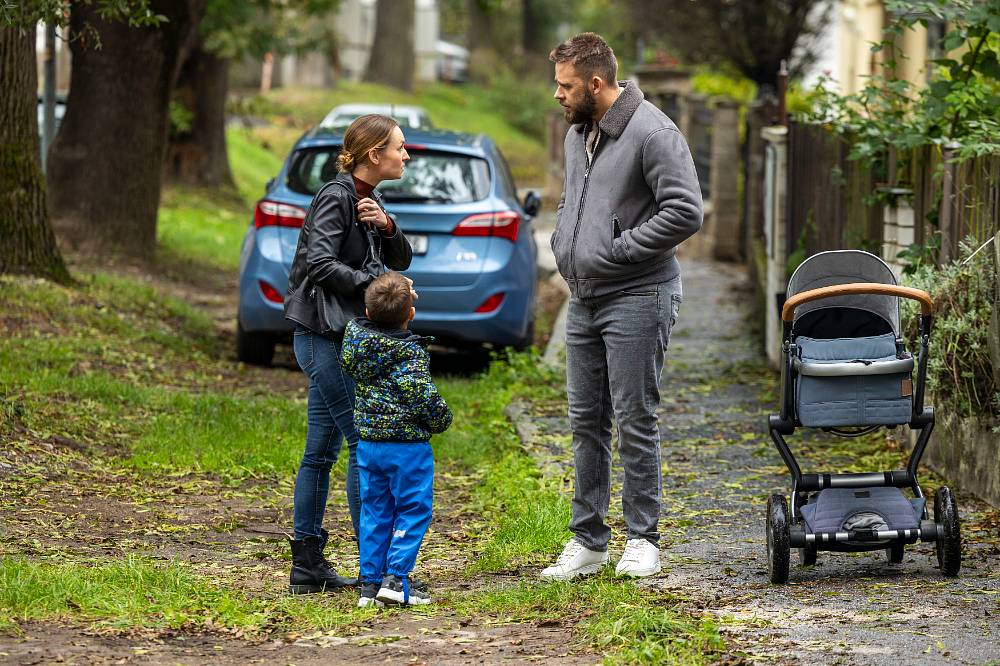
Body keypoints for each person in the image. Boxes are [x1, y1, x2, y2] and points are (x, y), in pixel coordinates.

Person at [540, 33, 703, 581]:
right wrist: (569, 242)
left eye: (565, 85)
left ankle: (643, 539)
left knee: (635, 418)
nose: (556, 95)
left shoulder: (653, 132)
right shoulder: (577, 133)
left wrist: (621, 249)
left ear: (594, 82)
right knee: (586, 421)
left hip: (638, 293)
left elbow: (685, 211)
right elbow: (574, 200)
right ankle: (588, 540)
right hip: (584, 298)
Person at [283, 114, 413, 594]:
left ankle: (307, 567)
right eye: (399, 147)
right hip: (321, 337)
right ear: (374, 152)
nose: (406, 155)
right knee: (364, 442)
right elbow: (319, 265)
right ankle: (375, 571)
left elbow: (399, 259)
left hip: (340, 339)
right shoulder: (336, 197)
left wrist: (388, 224)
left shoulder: (370, 199)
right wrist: (379, 286)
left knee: (320, 452)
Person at [340, 272, 453, 607]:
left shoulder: (357, 344)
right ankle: (396, 579)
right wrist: (441, 418)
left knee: (374, 511)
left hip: (369, 446)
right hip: (406, 448)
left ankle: (369, 585)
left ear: (367, 310)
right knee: (413, 509)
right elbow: (423, 398)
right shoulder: (407, 354)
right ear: (411, 314)